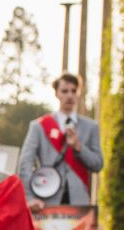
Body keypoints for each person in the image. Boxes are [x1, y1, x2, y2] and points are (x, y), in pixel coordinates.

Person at [18, 73, 104, 210]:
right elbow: (25, 164)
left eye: (73, 91)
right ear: (57, 94)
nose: (69, 95)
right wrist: (29, 198)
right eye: (64, 91)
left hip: (79, 203)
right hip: (45, 200)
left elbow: (98, 164)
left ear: (78, 93)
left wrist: (79, 147)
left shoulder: (91, 127)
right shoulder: (39, 126)